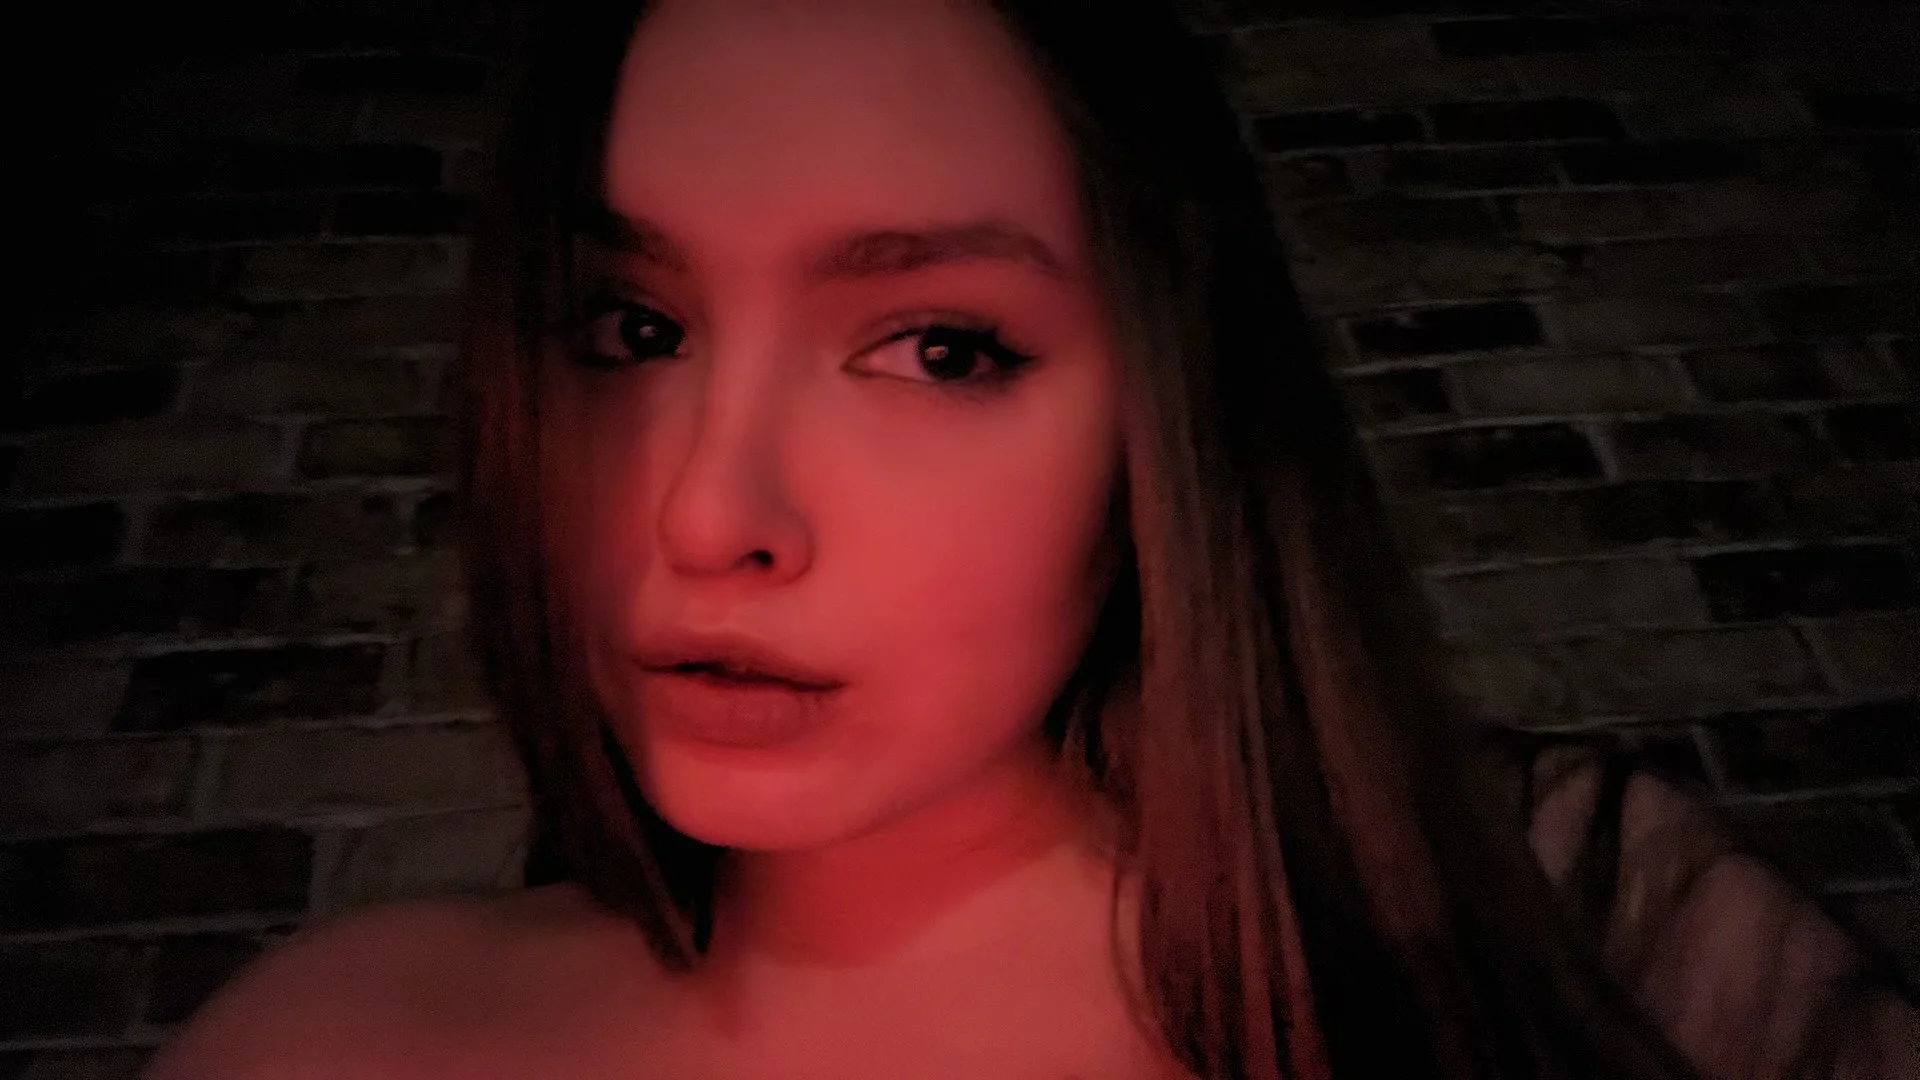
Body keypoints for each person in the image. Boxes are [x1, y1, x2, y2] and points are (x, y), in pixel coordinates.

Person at [146, 2, 1919, 1078]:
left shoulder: (1579, 927)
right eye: (633, 328)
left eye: (938, 350)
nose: (708, 510)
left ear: (1162, 422)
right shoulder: (330, 1040)